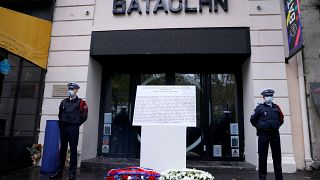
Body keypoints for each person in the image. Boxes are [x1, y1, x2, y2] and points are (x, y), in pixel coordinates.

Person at [50, 82, 88, 180]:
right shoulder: (64, 102)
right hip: (63, 127)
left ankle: (72, 174)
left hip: (73, 128)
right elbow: (60, 114)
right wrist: (62, 123)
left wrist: (76, 124)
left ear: (76, 90)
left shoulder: (81, 102)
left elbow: (84, 116)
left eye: (72, 89)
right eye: (69, 89)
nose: (70, 90)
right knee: (62, 149)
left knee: (73, 150)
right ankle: (59, 172)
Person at [250, 88, 284, 180]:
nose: (269, 97)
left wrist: (275, 126)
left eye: (271, 96)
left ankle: (279, 178)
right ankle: (262, 178)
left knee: (277, 157)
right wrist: (260, 127)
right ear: (263, 97)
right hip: (263, 134)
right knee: (262, 157)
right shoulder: (259, 108)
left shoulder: (276, 107)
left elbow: (281, 119)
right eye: (267, 96)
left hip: (275, 134)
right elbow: (253, 120)